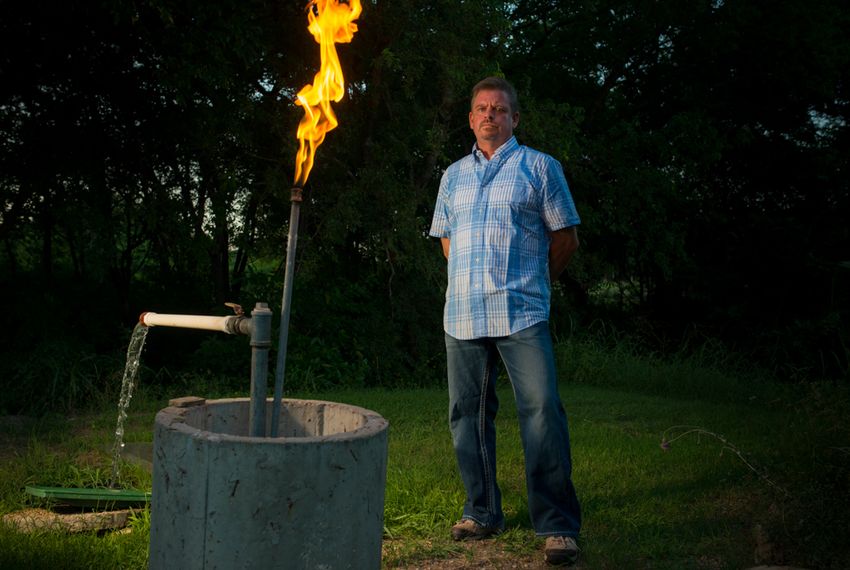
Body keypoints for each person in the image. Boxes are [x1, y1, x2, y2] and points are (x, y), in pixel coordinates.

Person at [429, 76, 582, 566]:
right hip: (463, 315)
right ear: (471, 118)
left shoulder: (540, 167)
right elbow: (446, 239)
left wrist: (534, 281)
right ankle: (482, 511)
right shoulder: (452, 175)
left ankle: (557, 525)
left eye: (499, 109)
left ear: (515, 118)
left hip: (522, 312)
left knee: (541, 411)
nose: (489, 115)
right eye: (481, 108)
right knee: (466, 417)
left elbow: (566, 238)